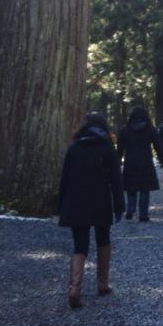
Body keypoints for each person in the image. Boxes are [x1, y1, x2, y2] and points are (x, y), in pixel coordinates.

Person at [57, 112, 124, 309]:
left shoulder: (75, 147)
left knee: (80, 245)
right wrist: (119, 206)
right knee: (103, 240)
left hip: (76, 202)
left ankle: (74, 289)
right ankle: (102, 285)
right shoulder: (107, 148)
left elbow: (65, 179)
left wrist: (61, 205)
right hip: (100, 202)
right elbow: (116, 181)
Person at [116, 106, 163, 222]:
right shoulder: (150, 129)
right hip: (146, 162)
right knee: (144, 189)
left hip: (130, 162)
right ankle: (143, 214)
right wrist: (162, 159)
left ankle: (131, 209)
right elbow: (158, 145)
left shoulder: (125, 129)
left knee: (131, 188)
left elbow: (120, 148)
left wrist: (118, 161)